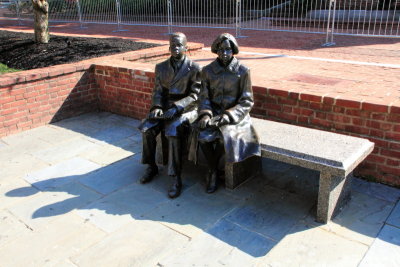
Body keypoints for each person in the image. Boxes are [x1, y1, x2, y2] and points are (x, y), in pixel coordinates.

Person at [190, 33, 260, 193]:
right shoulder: (207, 71)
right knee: (202, 137)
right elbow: (204, 96)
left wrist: (228, 116)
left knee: (224, 138)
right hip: (213, 113)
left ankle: (212, 172)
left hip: (235, 116)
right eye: (221, 50)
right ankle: (214, 169)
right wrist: (206, 114)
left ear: (233, 50)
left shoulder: (242, 71)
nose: (224, 53)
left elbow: (247, 101)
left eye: (228, 50)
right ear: (216, 51)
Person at [138, 32, 201, 198]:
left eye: (179, 45)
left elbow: (195, 96)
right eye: (173, 45)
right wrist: (157, 107)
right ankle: (152, 166)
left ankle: (175, 177)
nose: (176, 48)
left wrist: (177, 107)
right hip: (165, 108)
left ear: (186, 48)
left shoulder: (194, 68)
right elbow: (158, 91)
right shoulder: (161, 67)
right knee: (146, 128)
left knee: (173, 131)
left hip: (187, 109)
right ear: (169, 47)